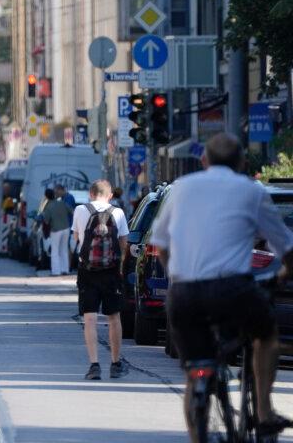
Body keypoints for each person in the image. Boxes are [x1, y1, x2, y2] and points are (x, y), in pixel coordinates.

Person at [150, 133, 293, 441]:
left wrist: (177, 274)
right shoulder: (251, 191)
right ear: (242, 163)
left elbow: (159, 243)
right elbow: (284, 245)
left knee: (194, 374)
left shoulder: (182, 189)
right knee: (266, 334)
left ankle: (196, 434)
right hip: (232, 290)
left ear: (204, 161)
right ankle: (265, 411)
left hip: (184, 293)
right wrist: (284, 273)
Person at [72, 179, 129, 380]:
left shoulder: (80, 210)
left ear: (90, 193)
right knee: (114, 317)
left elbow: (77, 239)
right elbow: (123, 244)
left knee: (89, 318)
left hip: (87, 271)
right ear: (110, 195)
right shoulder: (118, 212)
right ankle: (115, 363)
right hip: (111, 272)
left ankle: (94, 365)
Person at [41, 186, 73, 276]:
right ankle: (65, 270)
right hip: (66, 228)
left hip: (56, 230)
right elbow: (71, 211)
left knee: (55, 250)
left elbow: (46, 220)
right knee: (64, 249)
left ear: (46, 197)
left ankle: (56, 271)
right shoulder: (62, 203)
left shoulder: (48, 206)